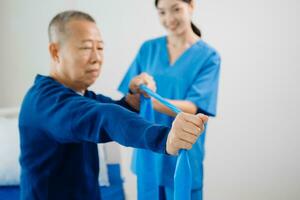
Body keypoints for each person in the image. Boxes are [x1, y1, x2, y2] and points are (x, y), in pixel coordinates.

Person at [18, 10, 209, 200]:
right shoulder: (45, 102)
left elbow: (115, 108)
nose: (96, 58)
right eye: (85, 48)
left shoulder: (80, 95)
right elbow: (105, 116)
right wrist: (165, 138)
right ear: (55, 51)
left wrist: (134, 98)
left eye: (100, 48)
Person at [118, 0, 221, 199]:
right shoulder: (148, 48)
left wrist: (151, 101)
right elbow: (129, 98)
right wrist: (134, 87)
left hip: (183, 152)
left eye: (176, 9)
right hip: (148, 150)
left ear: (191, 6)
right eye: (162, 12)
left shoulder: (209, 57)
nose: (169, 19)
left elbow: (193, 107)